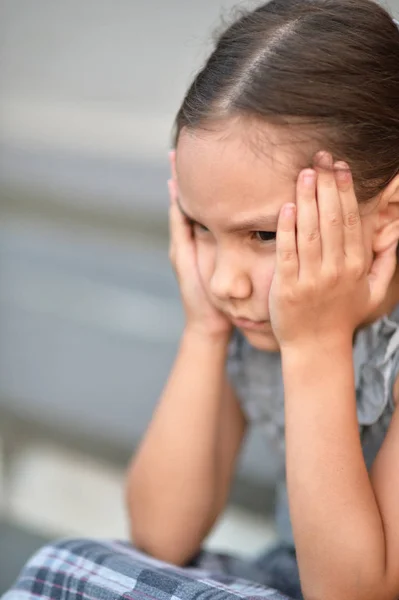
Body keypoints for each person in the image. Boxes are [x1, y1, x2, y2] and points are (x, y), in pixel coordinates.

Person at [4, 1, 399, 600]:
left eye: (263, 235)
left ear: (388, 214)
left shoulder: (325, 336)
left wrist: (316, 348)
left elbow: (355, 592)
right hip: (295, 578)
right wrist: (204, 333)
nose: (225, 281)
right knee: (73, 566)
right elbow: (160, 533)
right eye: (199, 228)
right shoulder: (250, 319)